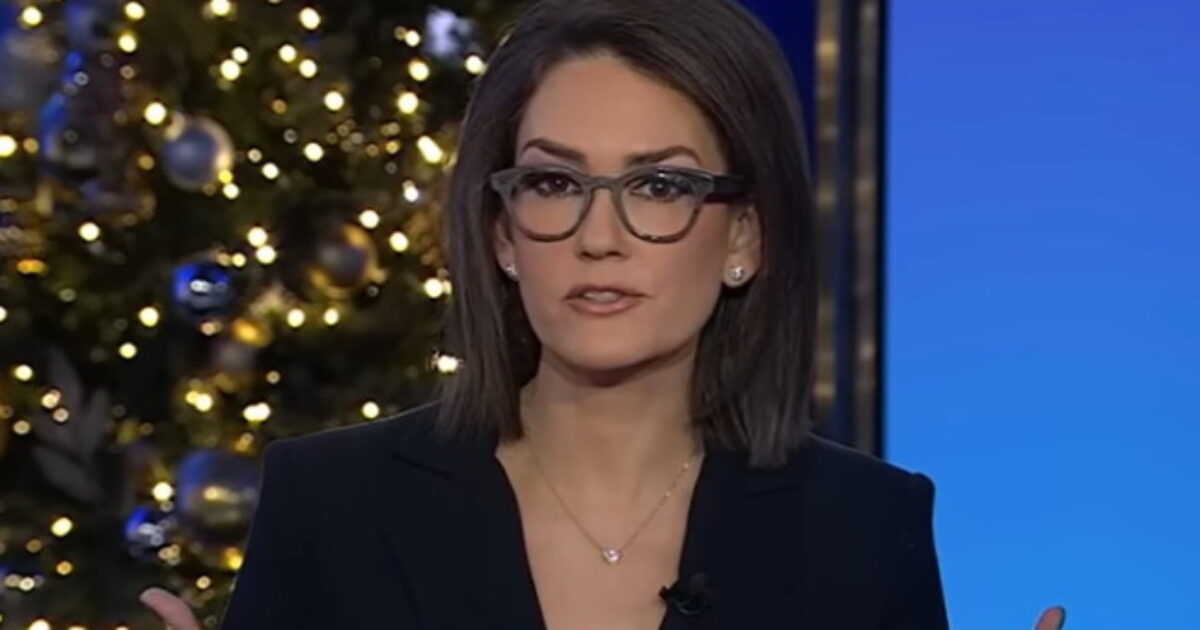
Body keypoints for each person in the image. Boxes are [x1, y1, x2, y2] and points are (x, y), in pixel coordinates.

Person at [140, 0, 1068, 627]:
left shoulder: (860, 526)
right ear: (504, 233)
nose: (598, 236)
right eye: (554, 183)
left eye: (660, 186)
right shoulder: (333, 505)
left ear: (745, 236)